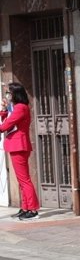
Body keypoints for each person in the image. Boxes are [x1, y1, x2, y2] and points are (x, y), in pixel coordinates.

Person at [1, 83, 38, 220]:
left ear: (15, 94)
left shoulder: (20, 108)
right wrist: (4, 110)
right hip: (17, 145)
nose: (7, 95)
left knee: (24, 180)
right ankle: (25, 207)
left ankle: (32, 210)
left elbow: (5, 126)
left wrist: (5, 114)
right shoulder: (17, 107)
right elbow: (7, 121)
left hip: (19, 146)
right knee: (21, 180)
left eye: (9, 93)